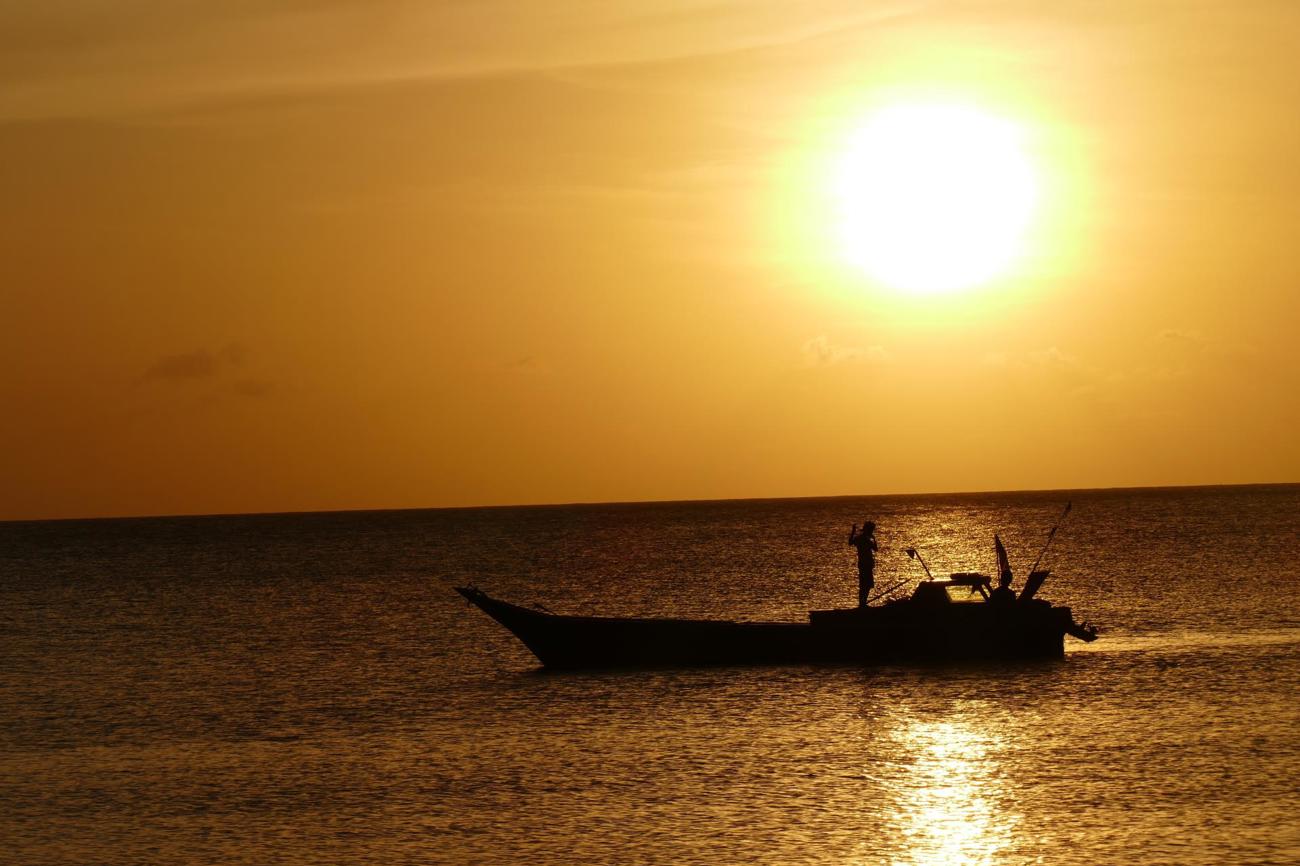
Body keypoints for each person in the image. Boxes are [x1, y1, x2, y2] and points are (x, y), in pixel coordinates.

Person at [848, 521, 878, 608]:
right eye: (871, 530)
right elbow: (876, 549)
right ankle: (862, 603)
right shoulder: (865, 539)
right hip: (866, 564)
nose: (872, 532)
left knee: (865, 585)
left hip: (863, 564)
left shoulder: (860, 538)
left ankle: (862, 603)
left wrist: (853, 532)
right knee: (866, 584)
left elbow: (850, 542)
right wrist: (874, 539)